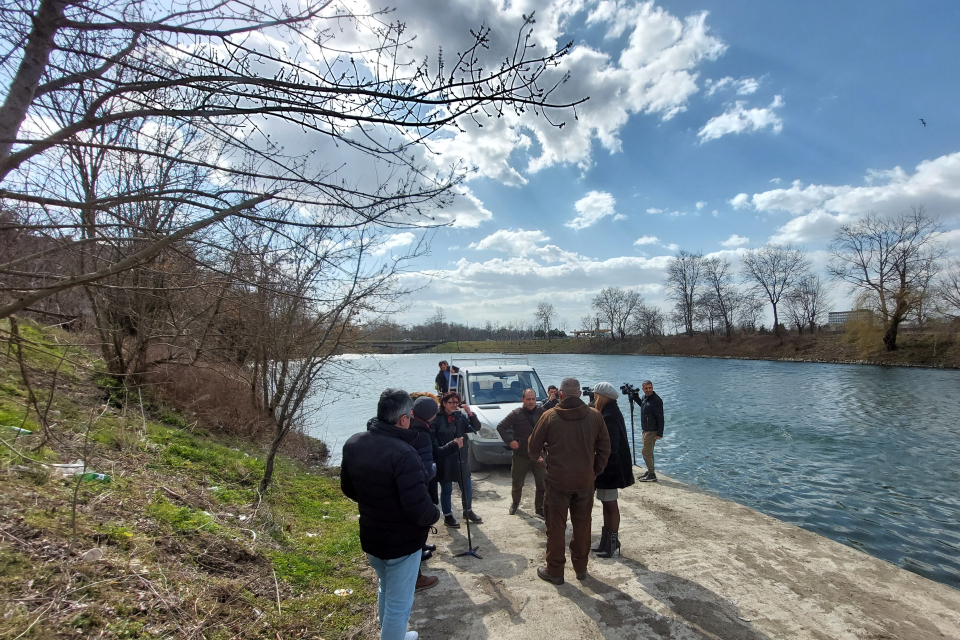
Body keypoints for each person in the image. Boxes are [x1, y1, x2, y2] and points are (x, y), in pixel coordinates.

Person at [341, 389, 441, 640]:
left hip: (372, 534)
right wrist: (435, 514)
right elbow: (418, 507)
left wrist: (376, 504)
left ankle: (392, 635)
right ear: (404, 419)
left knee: (385, 588)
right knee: (400, 604)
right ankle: (393, 635)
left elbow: (348, 488)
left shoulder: (354, 442)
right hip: (401, 542)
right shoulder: (404, 453)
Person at [528, 377, 610, 585]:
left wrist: (540, 458)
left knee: (556, 527)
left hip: (557, 482)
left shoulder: (549, 416)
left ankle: (555, 571)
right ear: (580, 394)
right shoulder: (595, 416)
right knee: (583, 525)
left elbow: (532, 447)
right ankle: (581, 568)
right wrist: (594, 471)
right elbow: (605, 448)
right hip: (584, 481)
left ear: (560, 394)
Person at [408, 395, 462, 590]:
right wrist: (454, 445)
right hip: (422, 480)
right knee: (422, 514)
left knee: (426, 510)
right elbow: (434, 454)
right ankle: (418, 555)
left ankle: (421, 546)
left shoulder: (417, 426)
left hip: (423, 479)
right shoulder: (421, 432)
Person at [590, 382, 635, 557]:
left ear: (601, 397)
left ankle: (612, 542)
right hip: (610, 469)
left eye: (595, 396)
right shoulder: (611, 412)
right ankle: (607, 541)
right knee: (606, 504)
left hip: (610, 470)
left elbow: (611, 446)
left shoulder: (609, 416)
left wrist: (597, 460)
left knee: (610, 505)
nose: (593, 399)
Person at [431, 391, 483, 528]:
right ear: (443, 403)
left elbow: (476, 427)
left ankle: (468, 511)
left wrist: (470, 413)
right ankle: (448, 515)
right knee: (446, 488)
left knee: (467, 486)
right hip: (446, 458)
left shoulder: (460, 417)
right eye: (451, 402)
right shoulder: (436, 419)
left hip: (461, 457)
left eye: (456, 402)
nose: (454, 405)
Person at [496, 388, 548, 517]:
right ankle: (515, 503)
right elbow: (501, 427)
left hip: (538, 455)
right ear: (523, 400)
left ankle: (539, 507)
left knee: (542, 483)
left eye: (533, 399)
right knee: (517, 483)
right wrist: (510, 441)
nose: (531, 402)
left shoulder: (542, 412)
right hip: (521, 455)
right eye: (528, 399)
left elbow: (551, 428)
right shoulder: (516, 413)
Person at [639, 380, 665, 482]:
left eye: (650, 388)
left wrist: (660, 433)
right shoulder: (645, 398)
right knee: (649, 452)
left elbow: (660, 418)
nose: (648, 390)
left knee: (646, 452)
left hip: (652, 430)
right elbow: (643, 406)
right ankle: (650, 471)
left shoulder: (656, 400)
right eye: (646, 388)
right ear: (643, 389)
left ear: (652, 388)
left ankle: (652, 474)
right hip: (645, 429)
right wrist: (634, 396)